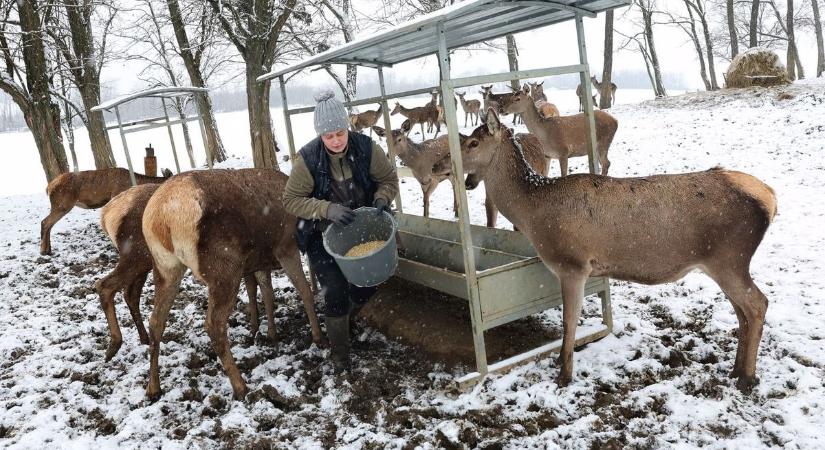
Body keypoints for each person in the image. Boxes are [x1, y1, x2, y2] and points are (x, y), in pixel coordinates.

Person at [283, 90, 399, 373]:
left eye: (339, 132)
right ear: (320, 136)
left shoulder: (367, 148)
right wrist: (326, 209)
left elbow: (388, 179)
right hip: (321, 233)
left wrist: (382, 198)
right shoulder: (308, 160)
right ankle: (340, 354)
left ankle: (345, 319)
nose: (335, 140)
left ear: (347, 126)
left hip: (363, 227)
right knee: (334, 289)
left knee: (370, 280)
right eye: (328, 136)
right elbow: (291, 200)